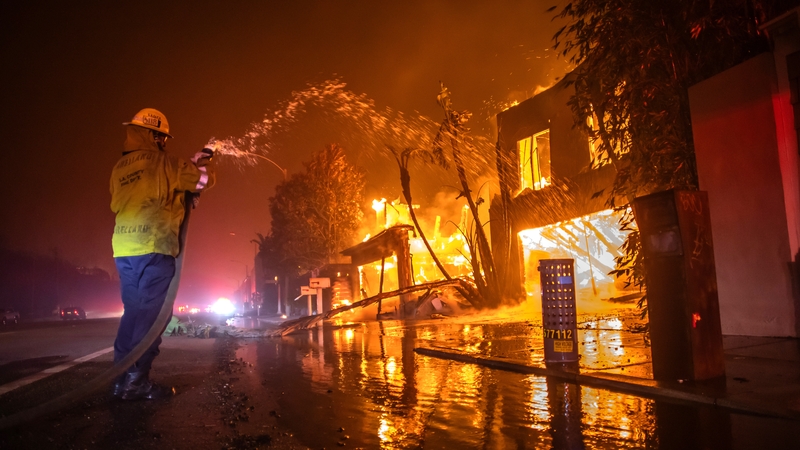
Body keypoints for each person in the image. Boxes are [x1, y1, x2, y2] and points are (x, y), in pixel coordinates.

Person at [110, 108, 216, 400]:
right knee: (153, 318)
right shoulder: (165, 163)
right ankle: (136, 382)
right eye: (163, 138)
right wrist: (201, 162)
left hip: (123, 249)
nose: (165, 143)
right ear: (155, 136)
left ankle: (119, 379)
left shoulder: (120, 167)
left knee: (132, 314)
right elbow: (202, 181)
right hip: (154, 247)